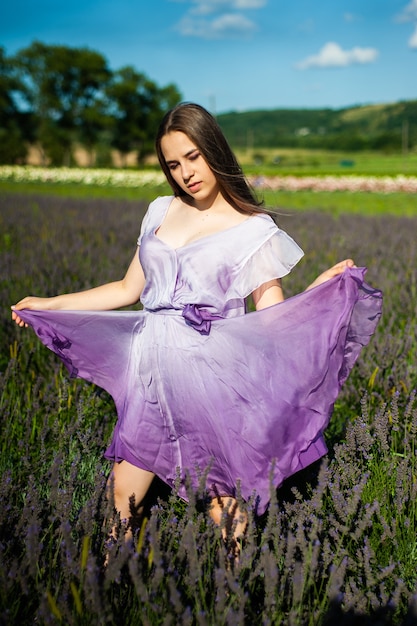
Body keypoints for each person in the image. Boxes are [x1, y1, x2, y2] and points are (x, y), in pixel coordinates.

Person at [11, 102, 382, 555]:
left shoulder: (253, 228)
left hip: (212, 374)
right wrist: (50, 303)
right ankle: (108, 590)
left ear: (213, 149)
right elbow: (128, 289)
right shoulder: (160, 211)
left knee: (222, 502)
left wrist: (319, 292)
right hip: (149, 369)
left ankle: (235, 595)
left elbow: (271, 315)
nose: (185, 172)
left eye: (193, 156)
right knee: (122, 494)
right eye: (173, 163)